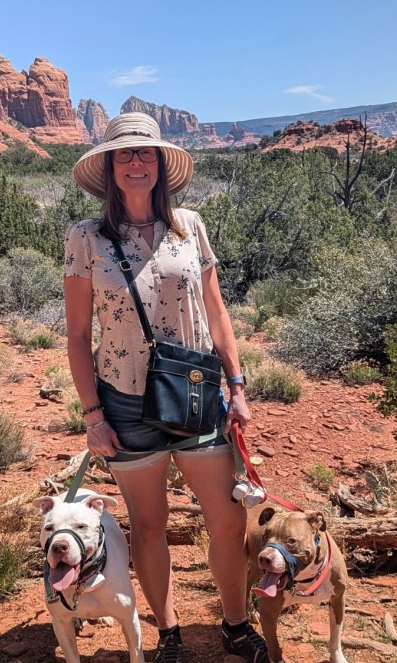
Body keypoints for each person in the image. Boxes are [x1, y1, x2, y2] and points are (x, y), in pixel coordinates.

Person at [63, 112, 267, 663]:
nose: (135, 162)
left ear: (161, 165)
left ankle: (234, 622)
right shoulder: (84, 238)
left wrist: (238, 384)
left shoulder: (190, 226)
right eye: (124, 154)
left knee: (227, 519)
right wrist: (92, 415)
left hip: (196, 390)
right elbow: (79, 337)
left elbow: (218, 311)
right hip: (124, 402)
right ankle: (169, 633)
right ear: (108, 168)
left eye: (145, 153)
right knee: (150, 527)